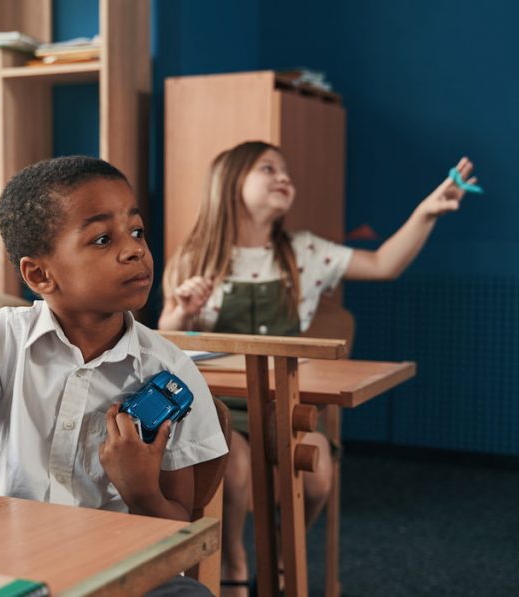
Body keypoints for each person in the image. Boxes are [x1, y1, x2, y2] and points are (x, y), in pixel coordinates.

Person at [0, 156, 228, 596]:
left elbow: (179, 538)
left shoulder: (169, 371)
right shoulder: (5, 337)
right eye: (101, 238)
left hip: (122, 575)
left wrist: (141, 490)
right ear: (39, 274)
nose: (134, 249)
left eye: (136, 231)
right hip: (12, 564)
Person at [158, 141, 478, 595]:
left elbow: (384, 263)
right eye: (268, 168)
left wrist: (426, 212)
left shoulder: (303, 252)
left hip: (285, 404)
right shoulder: (195, 257)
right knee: (234, 468)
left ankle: (286, 554)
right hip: (219, 407)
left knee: (316, 472)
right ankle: (232, 560)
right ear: (230, 184)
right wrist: (180, 311)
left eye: (286, 170)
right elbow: (168, 339)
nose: (283, 177)